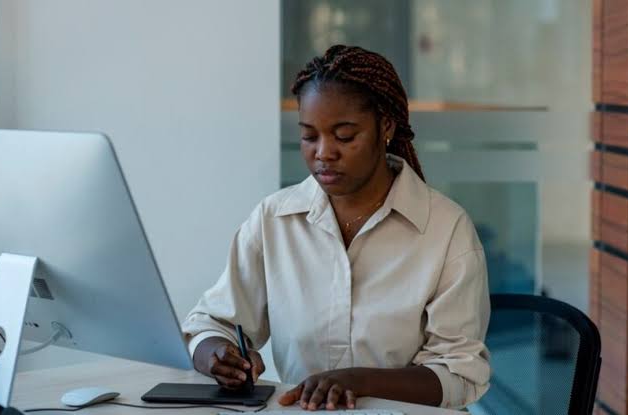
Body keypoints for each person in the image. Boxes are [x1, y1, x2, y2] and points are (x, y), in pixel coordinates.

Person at [181, 45, 490, 411]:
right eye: (310, 136)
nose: (324, 152)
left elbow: (460, 375)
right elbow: (210, 322)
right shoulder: (274, 219)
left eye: (344, 136)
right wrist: (215, 352)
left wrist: (358, 381)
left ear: (386, 126)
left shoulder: (445, 229)